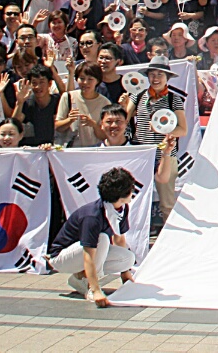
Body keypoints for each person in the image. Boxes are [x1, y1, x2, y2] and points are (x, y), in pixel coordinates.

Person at [49, 166, 136, 307]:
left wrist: (125, 274)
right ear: (122, 195)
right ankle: (90, 285)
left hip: (89, 251)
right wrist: (96, 291)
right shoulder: (92, 216)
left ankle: (80, 277)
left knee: (128, 258)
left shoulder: (121, 209)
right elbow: (88, 254)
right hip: (62, 257)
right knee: (102, 239)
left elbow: (119, 238)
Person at [127, 57, 187, 228]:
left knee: (167, 201)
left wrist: (163, 130)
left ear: (167, 77)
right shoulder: (137, 96)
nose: (155, 78)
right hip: (142, 154)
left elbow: (183, 130)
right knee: (135, 198)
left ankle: (172, 235)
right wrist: (124, 104)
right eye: (152, 74)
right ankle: (135, 233)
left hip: (165, 155)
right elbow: (124, 118)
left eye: (160, 74)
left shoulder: (174, 99)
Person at [57, 63, 111, 147]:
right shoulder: (68, 97)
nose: (85, 82)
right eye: (82, 78)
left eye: (90, 79)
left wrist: (94, 125)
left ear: (97, 81)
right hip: (71, 149)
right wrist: (69, 120)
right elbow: (57, 127)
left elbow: (105, 136)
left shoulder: (105, 103)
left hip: (94, 150)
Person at [12, 65, 60, 147]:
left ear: (49, 83)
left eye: (41, 82)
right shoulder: (26, 103)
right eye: (34, 83)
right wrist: (19, 102)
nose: (37, 87)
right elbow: (14, 125)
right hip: (30, 148)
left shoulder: (58, 101)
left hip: (53, 147)